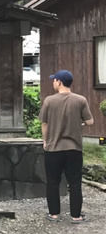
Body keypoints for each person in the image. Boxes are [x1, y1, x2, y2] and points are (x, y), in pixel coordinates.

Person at [39, 69, 94, 223]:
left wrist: (46, 140)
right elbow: (90, 121)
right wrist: (79, 123)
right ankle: (76, 216)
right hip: (74, 148)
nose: (53, 82)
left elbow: (44, 123)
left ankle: (54, 214)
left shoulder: (49, 101)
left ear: (59, 82)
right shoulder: (80, 100)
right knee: (75, 182)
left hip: (53, 148)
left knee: (53, 181)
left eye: (54, 80)